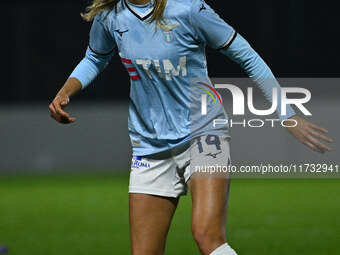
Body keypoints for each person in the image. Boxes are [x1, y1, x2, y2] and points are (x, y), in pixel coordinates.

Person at [49, 0, 333, 254]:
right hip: (149, 147)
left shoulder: (188, 9)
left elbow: (248, 56)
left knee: (207, 237)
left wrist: (287, 113)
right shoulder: (110, 16)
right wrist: (65, 91)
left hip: (204, 134)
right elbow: (95, 57)